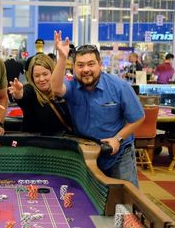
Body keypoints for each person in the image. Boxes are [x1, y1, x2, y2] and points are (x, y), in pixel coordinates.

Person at [50, 41, 145, 188]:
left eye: (91, 64)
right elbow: (55, 88)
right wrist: (62, 57)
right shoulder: (72, 85)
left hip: (119, 153)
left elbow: (138, 118)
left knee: (125, 201)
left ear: (100, 64)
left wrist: (117, 139)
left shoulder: (120, 86)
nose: (86, 69)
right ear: (74, 67)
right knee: (90, 199)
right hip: (87, 152)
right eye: (80, 65)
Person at [8, 32, 72, 136]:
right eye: (36, 76)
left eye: (45, 74)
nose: (41, 79)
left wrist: (62, 57)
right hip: (35, 146)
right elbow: (23, 95)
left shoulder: (62, 89)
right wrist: (18, 93)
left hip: (63, 143)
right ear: (32, 77)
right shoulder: (30, 91)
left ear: (53, 72)